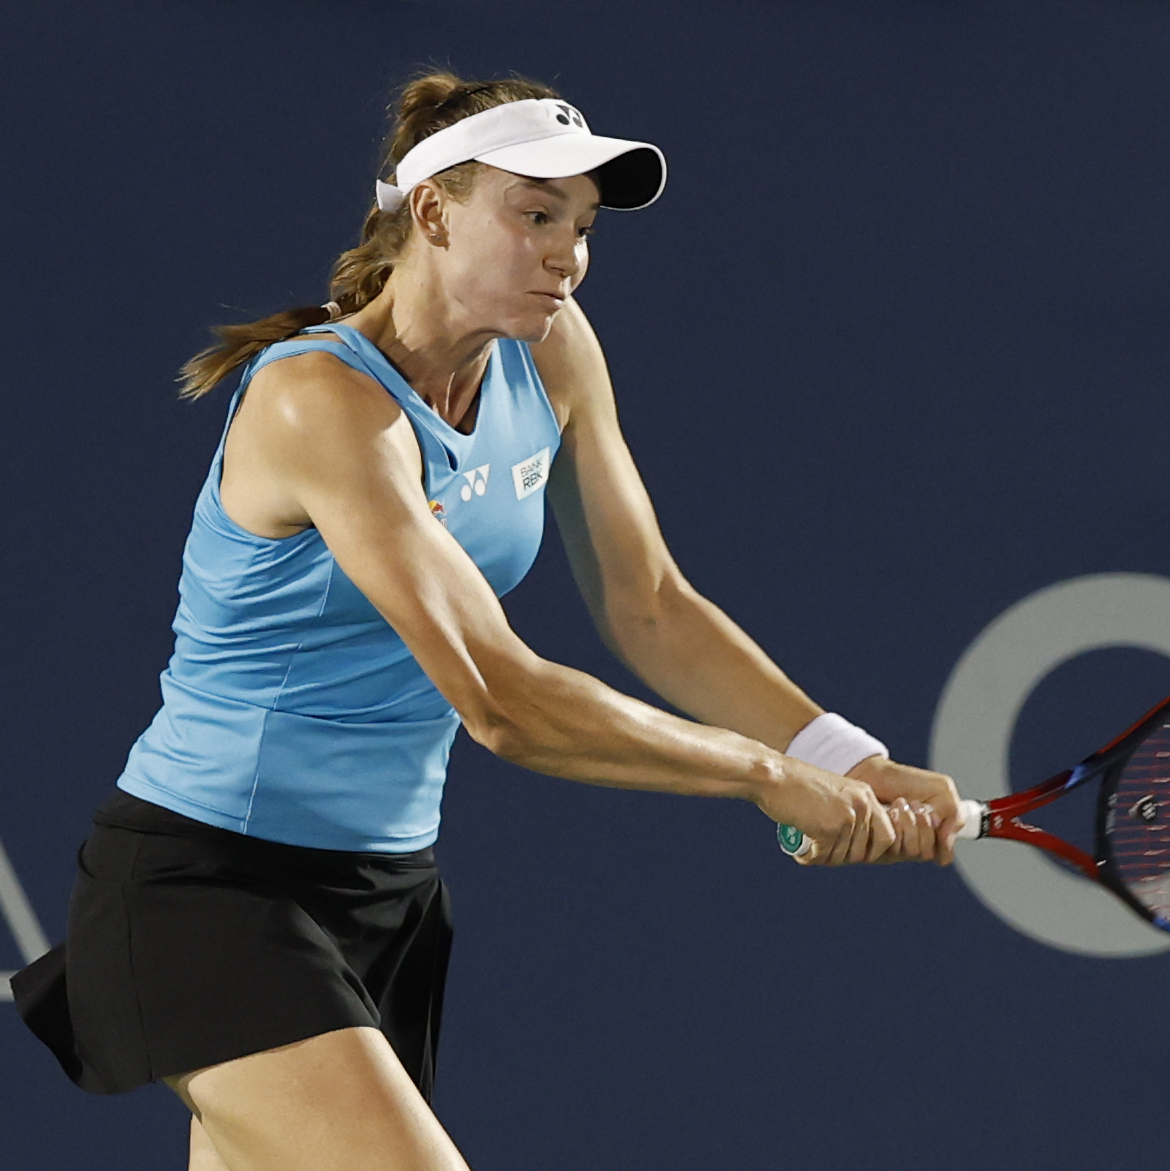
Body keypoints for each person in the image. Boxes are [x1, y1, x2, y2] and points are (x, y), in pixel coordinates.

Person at [11, 71, 962, 1171]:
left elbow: (648, 602)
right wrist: (762, 775)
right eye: (536, 214)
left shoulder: (552, 351)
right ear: (432, 213)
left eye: (583, 226)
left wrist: (839, 756)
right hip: (209, 888)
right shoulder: (319, 399)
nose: (568, 253)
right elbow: (499, 696)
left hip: (383, 896)